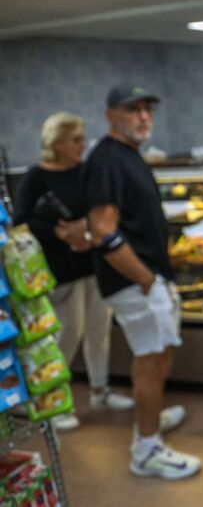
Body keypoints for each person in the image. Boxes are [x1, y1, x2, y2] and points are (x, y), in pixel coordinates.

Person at [83, 84, 201, 480]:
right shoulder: (107, 159)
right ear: (110, 116)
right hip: (135, 282)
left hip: (147, 277)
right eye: (133, 109)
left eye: (147, 109)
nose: (143, 116)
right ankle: (147, 450)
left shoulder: (128, 154)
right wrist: (147, 280)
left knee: (159, 357)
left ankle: (148, 420)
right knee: (150, 362)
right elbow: (104, 232)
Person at [13, 112, 135, 431]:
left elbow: (102, 208)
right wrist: (60, 232)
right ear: (57, 143)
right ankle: (51, 400)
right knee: (68, 332)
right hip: (60, 269)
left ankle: (100, 390)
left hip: (93, 262)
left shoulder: (85, 173)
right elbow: (22, 222)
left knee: (99, 330)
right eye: (76, 139)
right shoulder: (36, 177)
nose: (83, 145)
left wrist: (85, 227)